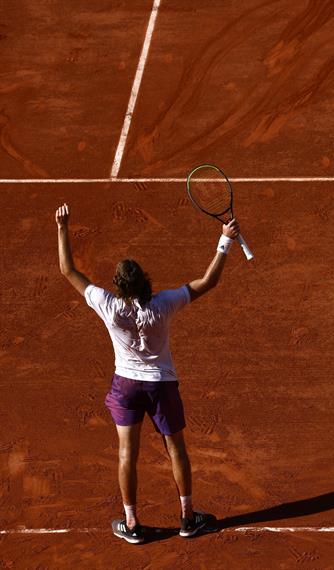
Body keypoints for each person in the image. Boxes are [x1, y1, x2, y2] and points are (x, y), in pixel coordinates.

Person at [55, 203, 240, 544]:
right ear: (145, 280)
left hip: (125, 387)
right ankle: (187, 519)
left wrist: (63, 227)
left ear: (119, 286)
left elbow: (68, 270)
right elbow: (208, 281)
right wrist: (224, 241)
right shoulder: (164, 304)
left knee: (127, 454)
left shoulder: (107, 305)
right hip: (162, 386)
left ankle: (132, 524)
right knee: (177, 450)